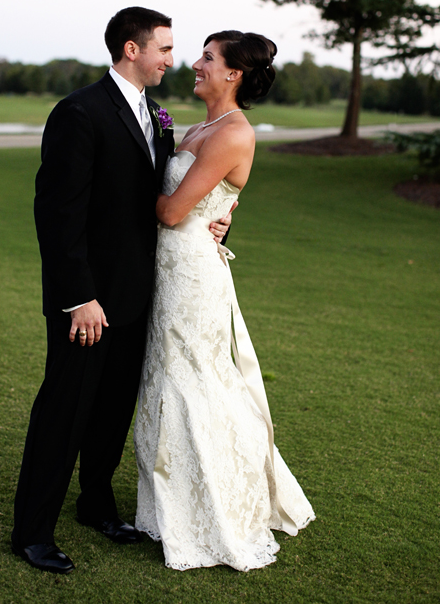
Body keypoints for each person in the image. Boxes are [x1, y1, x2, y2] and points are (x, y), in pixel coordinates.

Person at [11, 7, 230, 574]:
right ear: (132, 50)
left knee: (111, 414)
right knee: (64, 412)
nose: (172, 58)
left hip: (140, 295)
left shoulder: (157, 116)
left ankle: (96, 506)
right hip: (88, 302)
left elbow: (164, 196)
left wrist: (214, 219)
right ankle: (32, 531)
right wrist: (78, 296)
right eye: (164, 48)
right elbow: (58, 214)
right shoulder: (78, 112)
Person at [134, 30, 315, 571]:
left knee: (195, 383)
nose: (195, 63)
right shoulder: (198, 127)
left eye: (208, 59)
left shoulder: (235, 133)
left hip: (191, 276)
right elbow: (201, 200)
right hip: (168, 270)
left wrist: (117, 188)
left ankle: (218, 507)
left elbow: (170, 213)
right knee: (163, 378)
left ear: (234, 74)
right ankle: (171, 500)